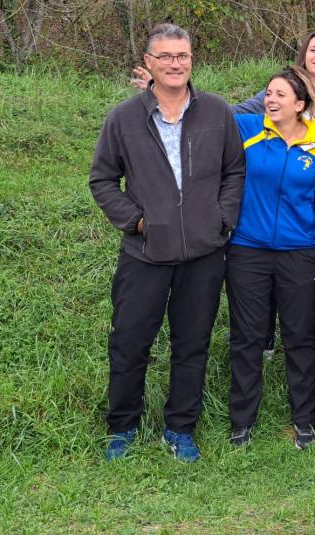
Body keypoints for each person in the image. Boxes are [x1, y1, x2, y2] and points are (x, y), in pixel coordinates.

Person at [90, 23, 245, 463]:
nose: (176, 64)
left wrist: (221, 219)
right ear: (149, 63)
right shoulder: (124, 118)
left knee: (192, 344)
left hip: (203, 253)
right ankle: (122, 427)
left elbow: (235, 171)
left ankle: (180, 429)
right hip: (144, 254)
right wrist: (136, 221)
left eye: (183, 56)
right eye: (166, 57)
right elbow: (102, 179)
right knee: (129, 342)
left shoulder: (216, 112)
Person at [225, 66, 315, 450]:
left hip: (300, 251)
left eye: (279, 95)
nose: (270, 100)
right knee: (247, 337)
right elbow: (201, 114)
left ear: (300, 104)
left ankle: (304, 420)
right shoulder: (247, 128)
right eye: (268, 93)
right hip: (248, 249)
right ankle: (241, 422)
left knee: (300, 337)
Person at [131, 31, 315, 137]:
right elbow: (234, 112)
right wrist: (168, 89)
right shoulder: (286, 89)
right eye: (313, 50)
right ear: (304, 57)